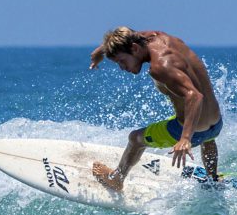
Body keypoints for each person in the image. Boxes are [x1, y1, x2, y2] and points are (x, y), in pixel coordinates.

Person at [88, 27, 223, 191]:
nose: (122, 67)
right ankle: (212, 178)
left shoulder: (159, 67)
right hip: (215, 125)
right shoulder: (156, 36)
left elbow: (194, 96)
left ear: (135, 49)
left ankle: (116, 179)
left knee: (135, 139)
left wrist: (185, 138)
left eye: (122, 61)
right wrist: (101, 51)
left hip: (193, 133)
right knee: (207, 137)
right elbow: (131, 35)